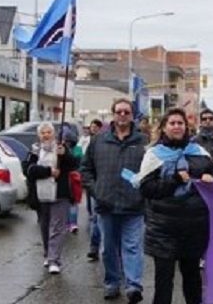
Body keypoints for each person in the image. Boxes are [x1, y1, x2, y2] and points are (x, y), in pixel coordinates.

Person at [136, 108, 213, 304]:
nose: (177, 126)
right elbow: (146, 188)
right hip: (163, 228)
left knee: (192, 279)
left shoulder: (200, 153)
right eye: (172, 123)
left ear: (186, 127)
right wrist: (174, 180)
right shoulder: (153, 154)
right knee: (164, 281)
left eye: (180, 123)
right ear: (164, 128)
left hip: (193, 226)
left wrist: (212, 178)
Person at [81, 99, 147, 303]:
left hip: (134, 206)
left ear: (132, 115)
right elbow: (85, 169)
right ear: (113, 114)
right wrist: (96, 190)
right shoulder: (98, 140)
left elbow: (152, 172)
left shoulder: (143, 142)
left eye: (126, 112)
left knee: (133, 247)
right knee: (108, 248)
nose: (122, 115)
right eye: (119, 112)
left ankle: (133, 286)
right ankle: (112, 283)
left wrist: (144, 193)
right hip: (106, 205)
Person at [26, 122, 79, 274]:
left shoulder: (61, 148)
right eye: (43, 133)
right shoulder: (35, 151)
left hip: (60, 193)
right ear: (39, 135)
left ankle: (54, 259)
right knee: (45, 226)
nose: (46, 135)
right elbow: (28, 169)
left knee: (57, 227)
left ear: (54, 134)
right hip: (41, 195)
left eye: (49, 132)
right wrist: (48, 171)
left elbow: (74, 164)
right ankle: (47, 253)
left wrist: (65, 155)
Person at [80, 119, 104, 262]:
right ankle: (94, 248)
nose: (93, 129)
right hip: (96, 186)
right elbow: (86, 166)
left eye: (95, 127)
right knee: (96, 218)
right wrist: (92, 185)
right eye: (92, 127)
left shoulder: (103, 142)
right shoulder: (89, 142)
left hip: (106, 187)